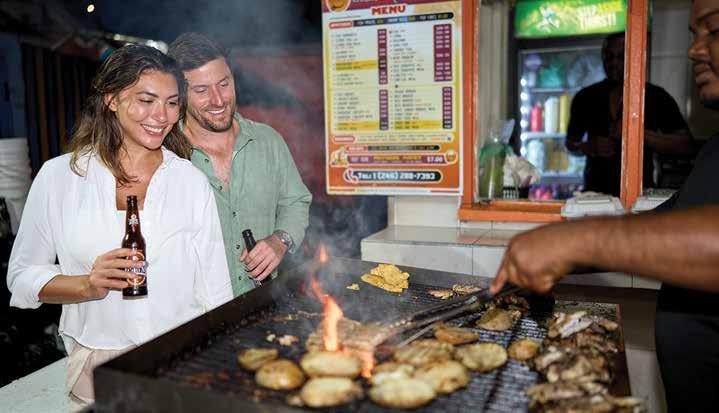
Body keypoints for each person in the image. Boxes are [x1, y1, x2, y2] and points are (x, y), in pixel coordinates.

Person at [492, 2, 719, 409]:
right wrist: (564, 251)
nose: (694, 50)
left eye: (714, 31)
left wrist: (579, 240)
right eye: (693, 35)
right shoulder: (716, 149)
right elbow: (674, 218)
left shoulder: (656, 97)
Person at [6, 45, 233, 410]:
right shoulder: (60, 178)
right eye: (146, 100)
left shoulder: (189, 182)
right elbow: (21, 276)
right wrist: (86, 285)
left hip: (179, 362)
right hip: (97, 369)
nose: (161, 116)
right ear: (111, 99)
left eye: (172, 103)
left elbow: (216, 292)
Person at [168, 33, 312, 297]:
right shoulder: (165, 153)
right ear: (180, 94)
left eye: (224, 84)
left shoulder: (268, 140)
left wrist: (280, 240)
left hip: (261, 300)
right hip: (193, 310)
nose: (218, 100)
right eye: (201, 90)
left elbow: (295, 202)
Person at [565, 32, 695, 196]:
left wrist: (639, 134)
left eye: (621, 56)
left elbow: (686, 145)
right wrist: (587, 147)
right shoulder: (585, 97)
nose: (614, 62)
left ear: (634, 58)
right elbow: (570, 144)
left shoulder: (655, 96)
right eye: (609, 56)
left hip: (640, 196)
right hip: (594, 197)